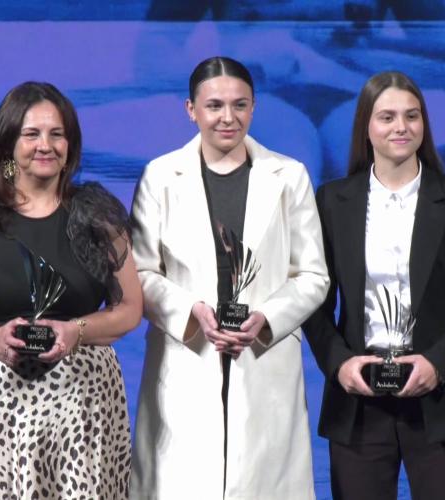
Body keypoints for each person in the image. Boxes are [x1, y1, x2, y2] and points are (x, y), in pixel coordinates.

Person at [0, 82, 142, 499]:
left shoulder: (96, 213)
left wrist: (76, 331)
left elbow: (130, 307)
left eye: (57, 134)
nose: (46, 145)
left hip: (85, 402)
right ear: (8, 144)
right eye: (32, 134)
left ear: (70, 144)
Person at [129, 56, 329, 500]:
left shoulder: (289, 176)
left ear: (254, 109)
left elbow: (313, 274)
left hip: (261, 356)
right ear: (190, 110)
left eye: (240, 105)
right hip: (186, 352)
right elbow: (141, 272)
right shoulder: (160, 176)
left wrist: (267, 318)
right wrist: (190, 313)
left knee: (262, 480)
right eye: (214, 105)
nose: (228, 117)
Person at [302, 71, 445, 500]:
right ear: (366, 127)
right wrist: (339, 365)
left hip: (441, 399)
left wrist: (438, 363)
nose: (401, 127)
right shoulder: (333, 201)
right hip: (359, 400)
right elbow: (315, 301)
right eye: (387, 117)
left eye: (412, 116)